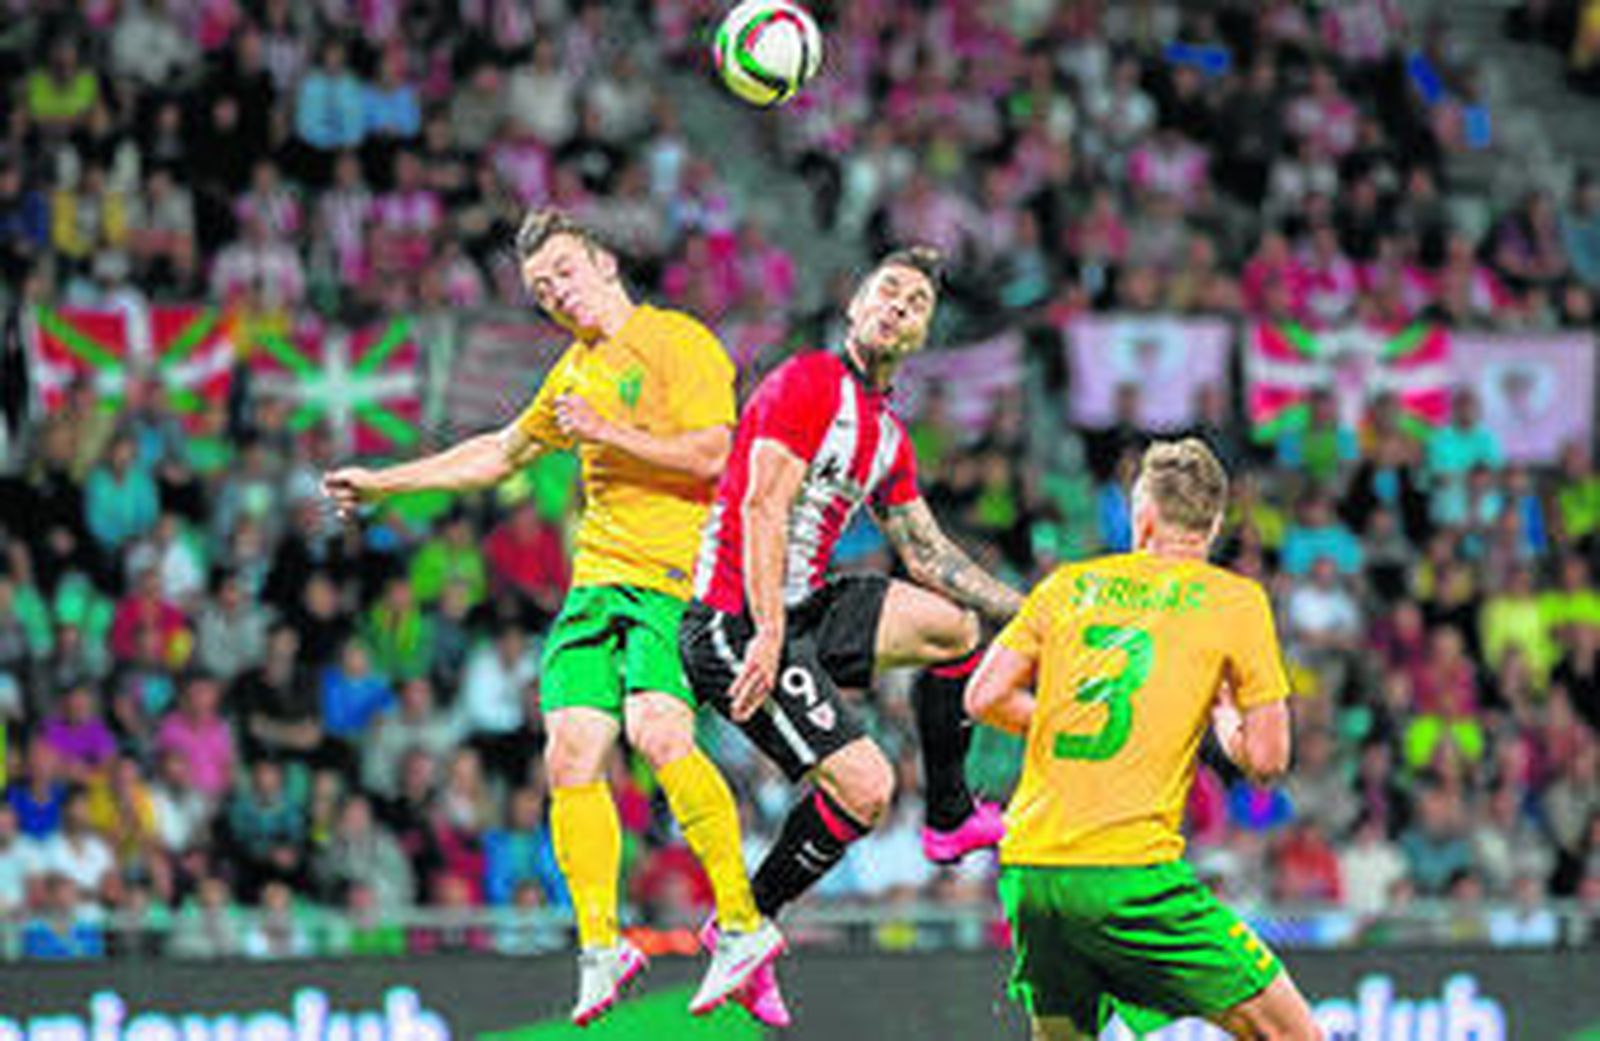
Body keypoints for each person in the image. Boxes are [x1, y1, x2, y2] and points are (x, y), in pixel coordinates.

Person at [322, 209, 779, 1026]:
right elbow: (498, 452)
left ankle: (742, 921)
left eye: (563, 272)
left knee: (659, 735)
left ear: (604, 261)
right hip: (593, 588)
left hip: (673, 580)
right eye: (539, 290)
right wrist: (385, 482)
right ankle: (603, 943)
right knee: (569, 755)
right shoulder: (571, 373)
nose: (555, 295)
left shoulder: (679, 341)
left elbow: (717, 454)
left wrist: (610, 432)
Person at [681, 247, 1024, 1026]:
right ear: (855, 307)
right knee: (867, 789)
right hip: (734, 617)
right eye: (889, 291)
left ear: (923, 336)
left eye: (916, 303)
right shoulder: (807, 380)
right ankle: (742, 922)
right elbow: (762, 506)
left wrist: (1038, 609)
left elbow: (929, 553)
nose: (900, 305)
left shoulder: (888, 434)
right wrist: (769, 632)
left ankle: (946, 813)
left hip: (799, 607)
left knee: (954, 626)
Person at [965, 438, 1322, 1040]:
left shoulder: (1066, 585)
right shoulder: (1236, 601)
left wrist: (1065, 719)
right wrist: (1221, 718)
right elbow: (1268, 759)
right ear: (1211, 527)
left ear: (1143, 517)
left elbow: (984, 697)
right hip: (1126, 875)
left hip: (1033, 873)